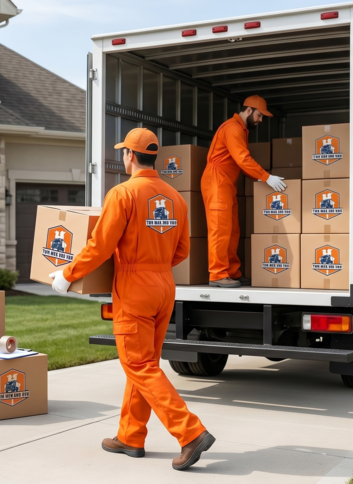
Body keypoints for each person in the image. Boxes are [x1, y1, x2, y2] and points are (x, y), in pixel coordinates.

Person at [48, 128, 214, 471]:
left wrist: (67, 274)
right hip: (164, 284)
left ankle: (190, 432)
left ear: (130, 156)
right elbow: (183, 250)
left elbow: (100, 245)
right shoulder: (175, 197)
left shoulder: (122, 194)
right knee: (145, 365)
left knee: (137, 365)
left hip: (135, 286)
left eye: (123, 151)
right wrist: (155, 266)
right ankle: (130, 436)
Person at [202, 95, 287, 288]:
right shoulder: (232, 128)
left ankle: (231, 272)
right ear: (248, 110)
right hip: (217, 182)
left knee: (232, 230)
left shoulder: (240, 129)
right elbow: (242, 159)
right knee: (220, 229)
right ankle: (217, 274)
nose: (260, 120)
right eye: (259, 115)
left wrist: (260, 177)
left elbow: (239, 162)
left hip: (226, 183)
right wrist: (266, 177)